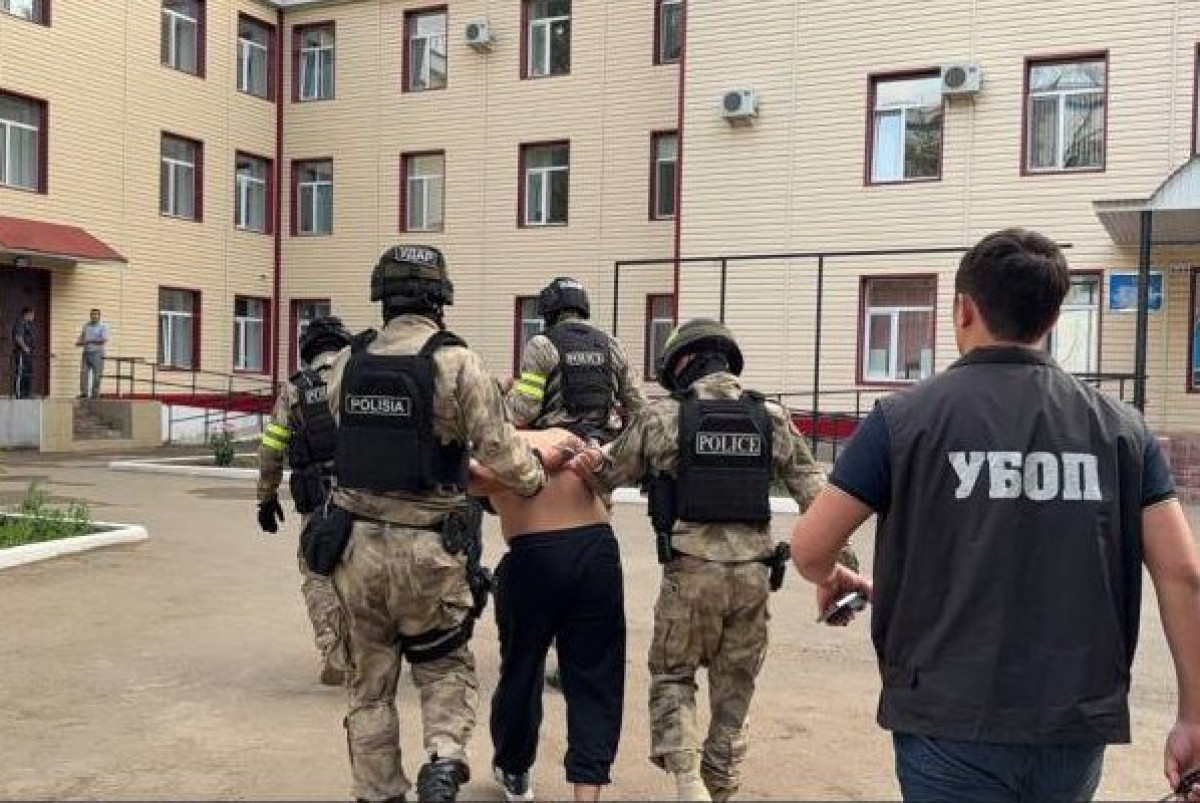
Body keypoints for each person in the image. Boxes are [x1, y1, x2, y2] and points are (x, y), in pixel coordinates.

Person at [789, 228, 1200, 803]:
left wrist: (831, 576)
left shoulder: (902, 420)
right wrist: (1194, 716)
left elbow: (810, 548)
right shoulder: (1122, 430)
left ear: (964, 309)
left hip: (946, 720)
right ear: (1052, 318)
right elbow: (1183, 574)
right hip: (1070, 723)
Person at [320, 244, 581, 803]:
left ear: (382, 296)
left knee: (369, 687)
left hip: (355, 548)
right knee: (442, 663)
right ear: (440, 298)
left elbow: (349, 436)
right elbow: (499, 448)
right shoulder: (457, 362)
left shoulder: (347, 362)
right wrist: (535, 478)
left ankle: (379, 791)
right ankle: (443, 759)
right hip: (428, 549)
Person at [575, 318, 831, 802]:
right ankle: (721, 786)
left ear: (683, 362)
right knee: (736, 688)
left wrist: (587, 459)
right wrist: (840, 562)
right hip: (754, 577)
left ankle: (688, 781)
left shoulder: (663, 416)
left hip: (690, 574)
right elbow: (814, 491)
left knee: (674, 676)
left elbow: (608, 475)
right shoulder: (771, 416)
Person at [469, 428, 626, 803]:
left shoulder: (492, 441)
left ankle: (514, 767)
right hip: (596, 549)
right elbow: (604, 484)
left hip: (534, 555)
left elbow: (469, 481)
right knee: (596, 676)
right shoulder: (565, 436)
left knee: (522, 669)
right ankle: (587, 792)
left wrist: (531, 467)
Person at [255, 316, 354, 686]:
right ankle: (370, 650)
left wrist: (266, 498)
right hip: (366, 497)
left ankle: (334, 651)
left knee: (318, 574)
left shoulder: (295, 389)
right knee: (365, 574)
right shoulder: (360, 376)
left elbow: (271, 449)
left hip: (318, 500)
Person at [506, 277, 646, 444]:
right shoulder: (612, 344)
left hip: (558, 446)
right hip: (607, 444)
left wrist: (502, 400)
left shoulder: (541, 345)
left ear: (549, 311)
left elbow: (524, 411)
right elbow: (639, 406)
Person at [75, 308, 109, 399]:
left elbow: (103, 340)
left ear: (99, 316)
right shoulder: (86, 325)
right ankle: (84, 393)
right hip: (86, 353)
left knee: (97, 375)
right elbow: (82, 336)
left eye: (96, 314)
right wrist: (79, 341)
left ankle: (95, 393)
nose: (94, 316)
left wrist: (89, 340)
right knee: (83, 373)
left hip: (97, 353)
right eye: (92, 314)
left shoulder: (103, 326)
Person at [11, 307, 35, 399]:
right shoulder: (20, 323)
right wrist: (25, 347)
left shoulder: (28, 324)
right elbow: (18, 337)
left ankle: (26, 393)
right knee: (21, 372)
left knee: (28, 372)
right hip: (21, 353)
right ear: (27, 314)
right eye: (32, 314)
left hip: (28, 355)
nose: (33, 317)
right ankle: (19, 393)